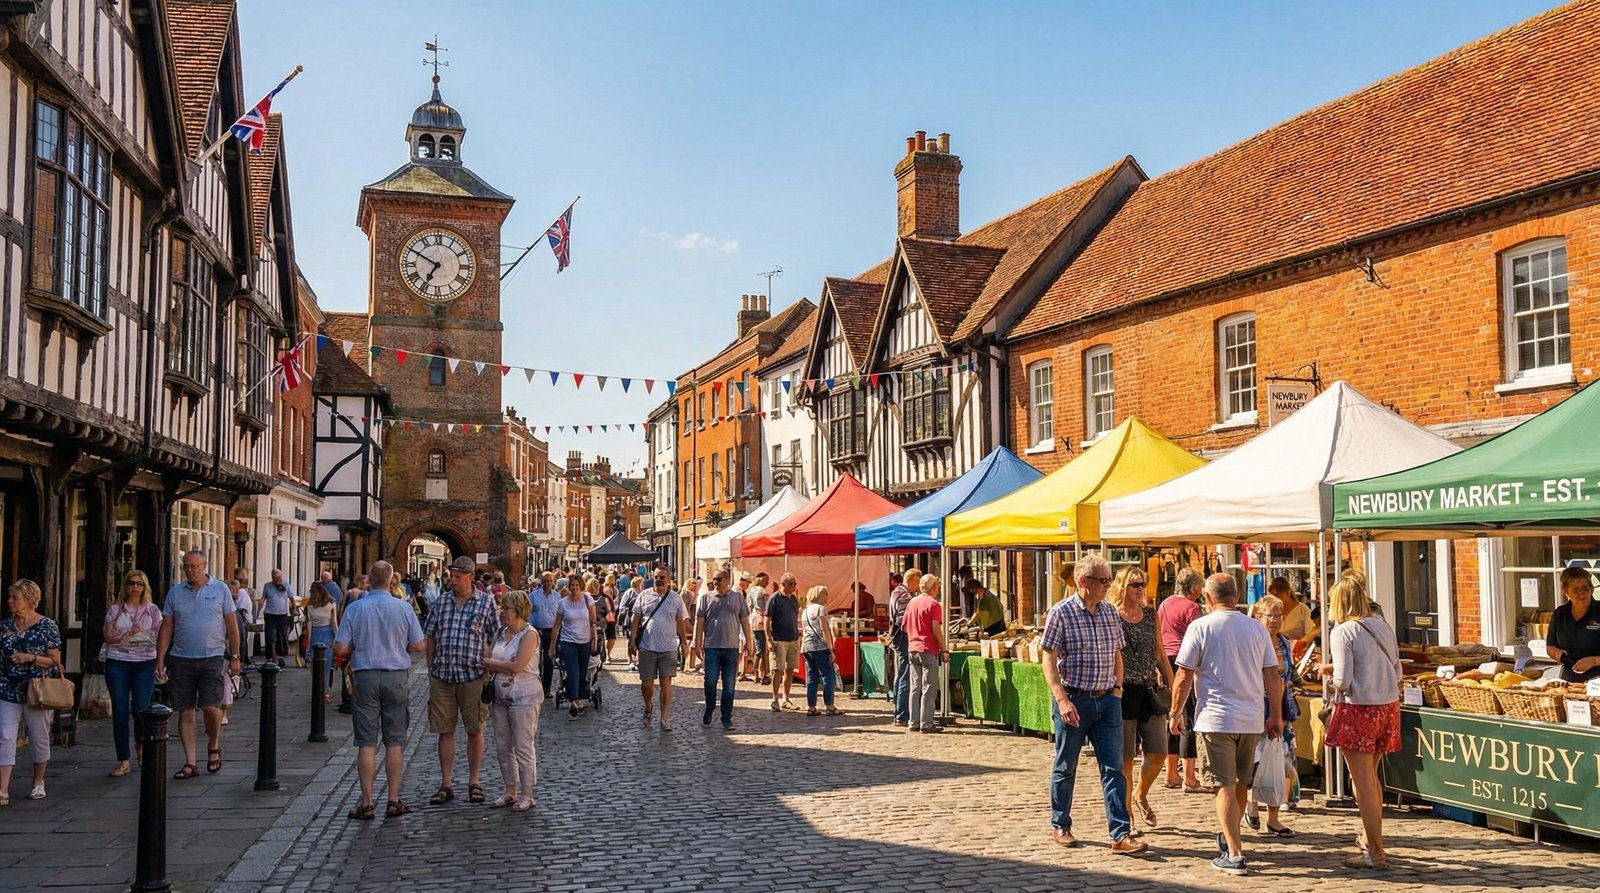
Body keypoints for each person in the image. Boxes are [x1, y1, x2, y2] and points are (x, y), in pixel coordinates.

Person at [1169, 573, 1283, 876]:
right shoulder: (1256, 628)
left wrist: (1175, 712)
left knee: (1223, 785)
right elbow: (1273, 676)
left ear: (1207, 597)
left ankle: (1234, 853)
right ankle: (1231, 835)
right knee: (1240, 783)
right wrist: (1276, 715)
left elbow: (1184, 675)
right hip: (1250, 718)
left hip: (1215, 718)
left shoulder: (1201, 627)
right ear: (1237, 595)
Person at [1039, 553, 1146, 855]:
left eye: (1109, 580)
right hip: (1074, 700)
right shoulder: (1061, 613)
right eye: (1103, 580)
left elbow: (1117, 653)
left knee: (1114, 768)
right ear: (1083, 581)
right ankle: (1060, 824)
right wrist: (1061, 699)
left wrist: (1117, 689)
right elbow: (1048, 657)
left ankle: (1120, 834)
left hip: (1107, 701)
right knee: (1066, 766)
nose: (1108, 585)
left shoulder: (1109, 612)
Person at [1318, 574, 1401, 871]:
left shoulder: (1343, 631)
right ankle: (1369, 841)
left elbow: (1343, 680)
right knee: (1371, 779)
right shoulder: (1382, 625)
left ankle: (1376, 851)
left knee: (1362, 782)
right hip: (1387, 706)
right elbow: (1397, 670)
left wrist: (1329, 676)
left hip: (1359, 708)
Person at [334, 560, 426, 820]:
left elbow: (340, 647)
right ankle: (393, 800)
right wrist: (399, 646)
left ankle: (366, 802)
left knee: (366, 742)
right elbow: (419, 644)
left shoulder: (355, 608)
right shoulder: (403, 608)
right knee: (394, 741)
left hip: (365, 676)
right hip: (395, 677)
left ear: (370, 580)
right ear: (390, 580)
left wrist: (357, 647)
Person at [156, 550, 242, 780]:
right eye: (186, 566)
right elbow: (166, 627)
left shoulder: (220, 589)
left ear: (204, 566)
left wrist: (235, 656)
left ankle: (213, 744)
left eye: (194, 566)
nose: (190, 570)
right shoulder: (175, 593)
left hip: (212, 656)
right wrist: (160, 660)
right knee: (185, 710)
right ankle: (190, 762)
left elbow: (232, 625)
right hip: (181, 657)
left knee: (210, 706)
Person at [423, 554, 500, 806]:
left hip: (473, 676)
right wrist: (431, 666)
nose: (452, 581)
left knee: (474, 729)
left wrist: (488, 663)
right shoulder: (442, 602)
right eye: (451, 576)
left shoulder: (485, 603)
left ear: (470, 577)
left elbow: (495, 636)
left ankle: (473, 782)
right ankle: (446, 784)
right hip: (443, 676)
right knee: (444, 730)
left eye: (457, 577)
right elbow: (431, 634)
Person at [1112, 566, 1173, 833]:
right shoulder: (1112, 615)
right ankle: (1127, 818)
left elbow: (1160, 652)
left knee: (1158, 753)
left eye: (1142, 584)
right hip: (1123, 691)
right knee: (1126, 759)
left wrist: (1172, 684)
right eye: (1135, 584)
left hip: (1149, 690)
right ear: (1122, 586)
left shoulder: (1150, 615)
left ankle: (1141, 793)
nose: (1140, 589)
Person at [1, 580, 63, 803]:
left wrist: (30, 658)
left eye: (15, 598)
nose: (10, 601)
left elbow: (54, 660)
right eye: (10, 597)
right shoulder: (4, 626)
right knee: (4, 735)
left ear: (29, 600)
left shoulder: (47, 625)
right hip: (8, 686)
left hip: (37, 688)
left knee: (38, 735)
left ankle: (38, 781)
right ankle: (3, 789)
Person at [1245, 595, 1299, 837]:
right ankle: (1252, 803)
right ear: (1258, 617)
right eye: (1270, 616)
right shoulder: (1253, 641)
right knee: (1256, 760)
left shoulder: (1284, 642)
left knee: (1279, 761)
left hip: (1281, 706)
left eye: (1279, 615)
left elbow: (1289, 673)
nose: (1276, 620)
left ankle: (1274, 818)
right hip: (1257, 704)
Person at [483, 590, 541, 811]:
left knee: (523, 746)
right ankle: (510, 790)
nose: (502, 612)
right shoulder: (501, 632)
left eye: (505, 608)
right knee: (503, 746)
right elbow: (488, 657)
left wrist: (492, 663)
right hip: (500, 696)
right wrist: (492, 663)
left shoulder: (529, 635)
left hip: (525, 696)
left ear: (517, 610)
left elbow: (517, 666)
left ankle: (527, 794)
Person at [103, 570, 162, 778]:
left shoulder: (152, 610)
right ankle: (123, 760)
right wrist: (127, 635)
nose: (135, 587)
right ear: (125, 586)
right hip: (117, 662)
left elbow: (159, 635)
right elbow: (108, 635)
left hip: (144, 663)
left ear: (145, 587)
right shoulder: (116, 609)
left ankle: (141, 744)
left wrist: (141, 637)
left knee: (140, 709)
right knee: (120, 711)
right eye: (131, 583)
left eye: (139, 583)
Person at [1159, 567, 1206, 791]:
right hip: (1184, 661)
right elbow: (1199, 637)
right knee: (1188, 718)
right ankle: (1189, 777)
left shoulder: (1164, 604)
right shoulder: (1192, 608)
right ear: (1195, 588)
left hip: (1165, 660)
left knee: (1172, 716)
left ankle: (1171, 772)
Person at [630, 570, 690, 731]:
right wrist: (632, 640)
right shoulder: (644, 595)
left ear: (669, 579)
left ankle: (664, 718)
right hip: (647, 646)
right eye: (656, 577)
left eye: (662, 577)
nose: (659, 580)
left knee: (666, 682)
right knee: (646, 684)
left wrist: (684, 643)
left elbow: (680, 622)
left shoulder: (676, 598)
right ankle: (648, 705)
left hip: (668, 647)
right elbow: (636, 619)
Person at [693, 570, 752, 730]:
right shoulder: (706, 598)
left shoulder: (738, 598)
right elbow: (699, 622)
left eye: (718, 579)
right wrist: (697, 643)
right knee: (710, 681)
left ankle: (726, 717)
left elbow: (744, 621)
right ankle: (710, 707)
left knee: (729, 685)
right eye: (714, 579)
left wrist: (749, 641)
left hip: (731, 647)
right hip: (711, 646)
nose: (715, 582)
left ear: (727, 580)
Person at [548, 573, 598, 718]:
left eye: (577, 585)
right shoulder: (563, 603)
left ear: (581, 586)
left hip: (584, 641)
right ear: (569, 587)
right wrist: (552, 646)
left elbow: (593, 622)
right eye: (572, 585)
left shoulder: (588, 600)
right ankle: (573, 701)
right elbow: (556, 625)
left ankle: (578, 696)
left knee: (582, 673)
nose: (575, 588)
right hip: (568, 641)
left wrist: (594, 639)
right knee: (572, 671)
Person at [903, 575, 943, 730]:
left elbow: (905, 626)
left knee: (915, 687)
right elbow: (936, 629)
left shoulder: (912, 602)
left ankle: (913, 722)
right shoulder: (934, 604)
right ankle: (926, 723)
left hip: (913, 647)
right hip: (928, 648)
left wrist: (915, 635)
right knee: (928, 688)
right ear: (934, 588)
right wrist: (944, 648)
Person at [1548, 566, 1600, 682]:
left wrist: (1594, 661)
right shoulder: (1559, 614)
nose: (1581, 593)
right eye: (1576, 590)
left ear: (1591, 589)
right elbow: (1550, 646)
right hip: (1568, 681)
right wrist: (1557, 654)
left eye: (1585, 588)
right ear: (1565, 591)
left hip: (1597, 681)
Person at [800, 585, 844, 717]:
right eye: (826, 594)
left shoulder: (805, 610)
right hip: (820, 646)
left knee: (812, 677)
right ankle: (830, 706)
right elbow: (824, 629)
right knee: (827, 676)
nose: (827, 597)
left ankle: (811, 707)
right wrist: (830, 648)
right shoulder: (820, 609)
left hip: (806, 646)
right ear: (820, 595)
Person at [888, 569, 920, 727]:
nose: (918, 586)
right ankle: (902, 714)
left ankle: (898, 710)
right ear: (911, 580)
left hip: (898, 638)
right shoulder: (904, 595)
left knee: (900, 674)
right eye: (917, 582)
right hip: (903, 638)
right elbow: (903, 622)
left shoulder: (896, 592)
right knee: (906, 676)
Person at [767, 573, 803, 712]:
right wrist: (769, 639)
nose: (793, 587)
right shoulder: (774, 598)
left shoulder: (793, 599)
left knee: (790, 669)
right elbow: (767, 619)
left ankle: (786, 698)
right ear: (783, 584)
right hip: (779, 638)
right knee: (778, 670)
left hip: (793, 638)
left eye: (794, 584)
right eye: (790, 584)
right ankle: (775, 698)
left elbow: (795, 616)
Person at [528, 572, 560, 698]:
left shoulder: (557, 596)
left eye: (550, 580)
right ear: (541, 582)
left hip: (551, 632)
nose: (548, 583)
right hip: (537, 631)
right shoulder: (533, 596)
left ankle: (546, 689)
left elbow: (559, 614)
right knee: (535, 661)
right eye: (546, 580)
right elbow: (529, 613)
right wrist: (532, 628)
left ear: (553, 582)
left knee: (549, 661)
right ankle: (536, 687)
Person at [306, 582, 339, 699]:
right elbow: (334, 623)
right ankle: (326, 692)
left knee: (315, 666)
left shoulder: (309, 607)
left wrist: (308, 647)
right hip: (328, 634)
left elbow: (309, 628)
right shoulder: (331, 603)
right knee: (327, 665)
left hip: (315, 633)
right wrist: (338, 638)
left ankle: (318, 690)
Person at [1268, 577, 1315, 659]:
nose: (1276, 599)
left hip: (1296, 654)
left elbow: (1311, 632)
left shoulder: (1303, 610)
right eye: (1273, 596)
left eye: (1279, 596)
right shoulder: (1271, 610)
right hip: (1274, 653)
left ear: (1287, 593)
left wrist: (1300, 643)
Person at [259, 568, 295, 668]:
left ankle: (281, 657)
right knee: (270, 637)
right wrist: (258, 608)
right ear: (272, 577)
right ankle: (269, 658)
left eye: (280, 577)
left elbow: (292, 598)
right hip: (270, 614)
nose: (279, 579)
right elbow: (263, 598)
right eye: (276, 578)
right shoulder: (267, 586)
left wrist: (294, 608)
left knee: (281, 636)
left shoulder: (286, 585)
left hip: (282, 614)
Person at [748, 573, 771, 685]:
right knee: (760, 650)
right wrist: (766, 599)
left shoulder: (752, 590)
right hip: (759, 622)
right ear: (761, 580)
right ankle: (756, 673)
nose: (767, 583)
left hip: (756, 621)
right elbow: (759, 605)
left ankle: (763, 673)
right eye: (766, 581)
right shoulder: (759, 590)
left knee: (762, 649)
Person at [680, 577, 704, 673]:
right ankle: (686, 664)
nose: (695, 585)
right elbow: (685, 609)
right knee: (687, 642)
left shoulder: (694, 594)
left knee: (692, 642)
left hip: (692, 620)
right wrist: (688, 622)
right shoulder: (686, 594)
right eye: (693, 583)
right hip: (687, 620)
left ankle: (691, 664)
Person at [590, 579, 616, 664]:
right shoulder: (585, 597)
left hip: (598, 625)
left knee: (599, 640)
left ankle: (602, 656)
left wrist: (605, 620)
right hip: (591, 625)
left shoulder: (605, 598)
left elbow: (610, 612)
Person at [233, 575, 254, 662]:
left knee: (241, 640)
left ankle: (242, 659)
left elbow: (242, 609)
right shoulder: (244, 593)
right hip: (244, 619)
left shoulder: (241, 593)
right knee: (243, 640)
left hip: (242, 620)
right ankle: (244, 658)